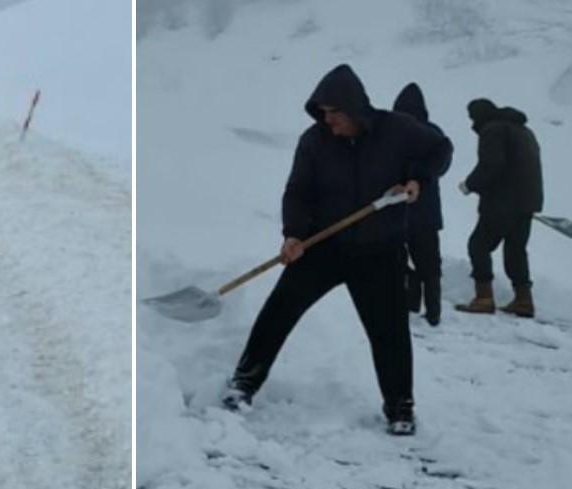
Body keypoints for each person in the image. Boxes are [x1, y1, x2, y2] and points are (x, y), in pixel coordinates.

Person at [221, 64, 453, 436]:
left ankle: (400, 407)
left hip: (380, 250)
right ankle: (243, 384)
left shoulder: (397, 130)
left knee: (390, 332)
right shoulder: (314, 141)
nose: (328, 121)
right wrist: (294, 235)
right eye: (323, 114)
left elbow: (441, 147)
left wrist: (418, 177)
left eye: (335, 114)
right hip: (323, 245)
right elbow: (298, 191)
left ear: (355, 109)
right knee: (279, 311)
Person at [455, 98, 543, 318]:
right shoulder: (524, 131)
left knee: (478, 245)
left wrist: (470, 184)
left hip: (502, 201)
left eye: (472, 117)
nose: (472, 123)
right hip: (527, 202)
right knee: (516, 250)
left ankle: (484, 298)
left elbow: (491, 164)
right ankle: (524, 300)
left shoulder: (493, 130)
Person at [392, 83, 451, 326]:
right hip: (427, 213)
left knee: (398, 258)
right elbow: (442, 163)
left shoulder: (395, 134)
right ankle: (433, 311)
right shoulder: (433, 133)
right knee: (430, 263)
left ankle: (411, 301)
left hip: (399, 211)